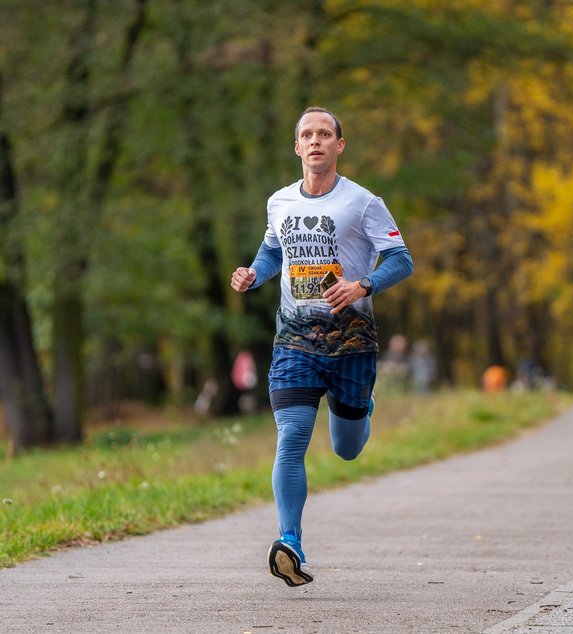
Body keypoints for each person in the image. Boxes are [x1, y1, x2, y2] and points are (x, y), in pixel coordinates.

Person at [230, 107, 413, 587]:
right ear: (297, 147)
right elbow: (272, 251)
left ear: (339, 145)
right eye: (307, 135)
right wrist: (253, 273)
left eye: (325, 134)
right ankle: (290, 541)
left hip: (351, 341)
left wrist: (362, 285)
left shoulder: (363, 202)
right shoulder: (279, 202)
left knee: (347, 449)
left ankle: (362, 406)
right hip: (295, 340)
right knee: (291, 436)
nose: (316, 141)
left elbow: (401, 259)